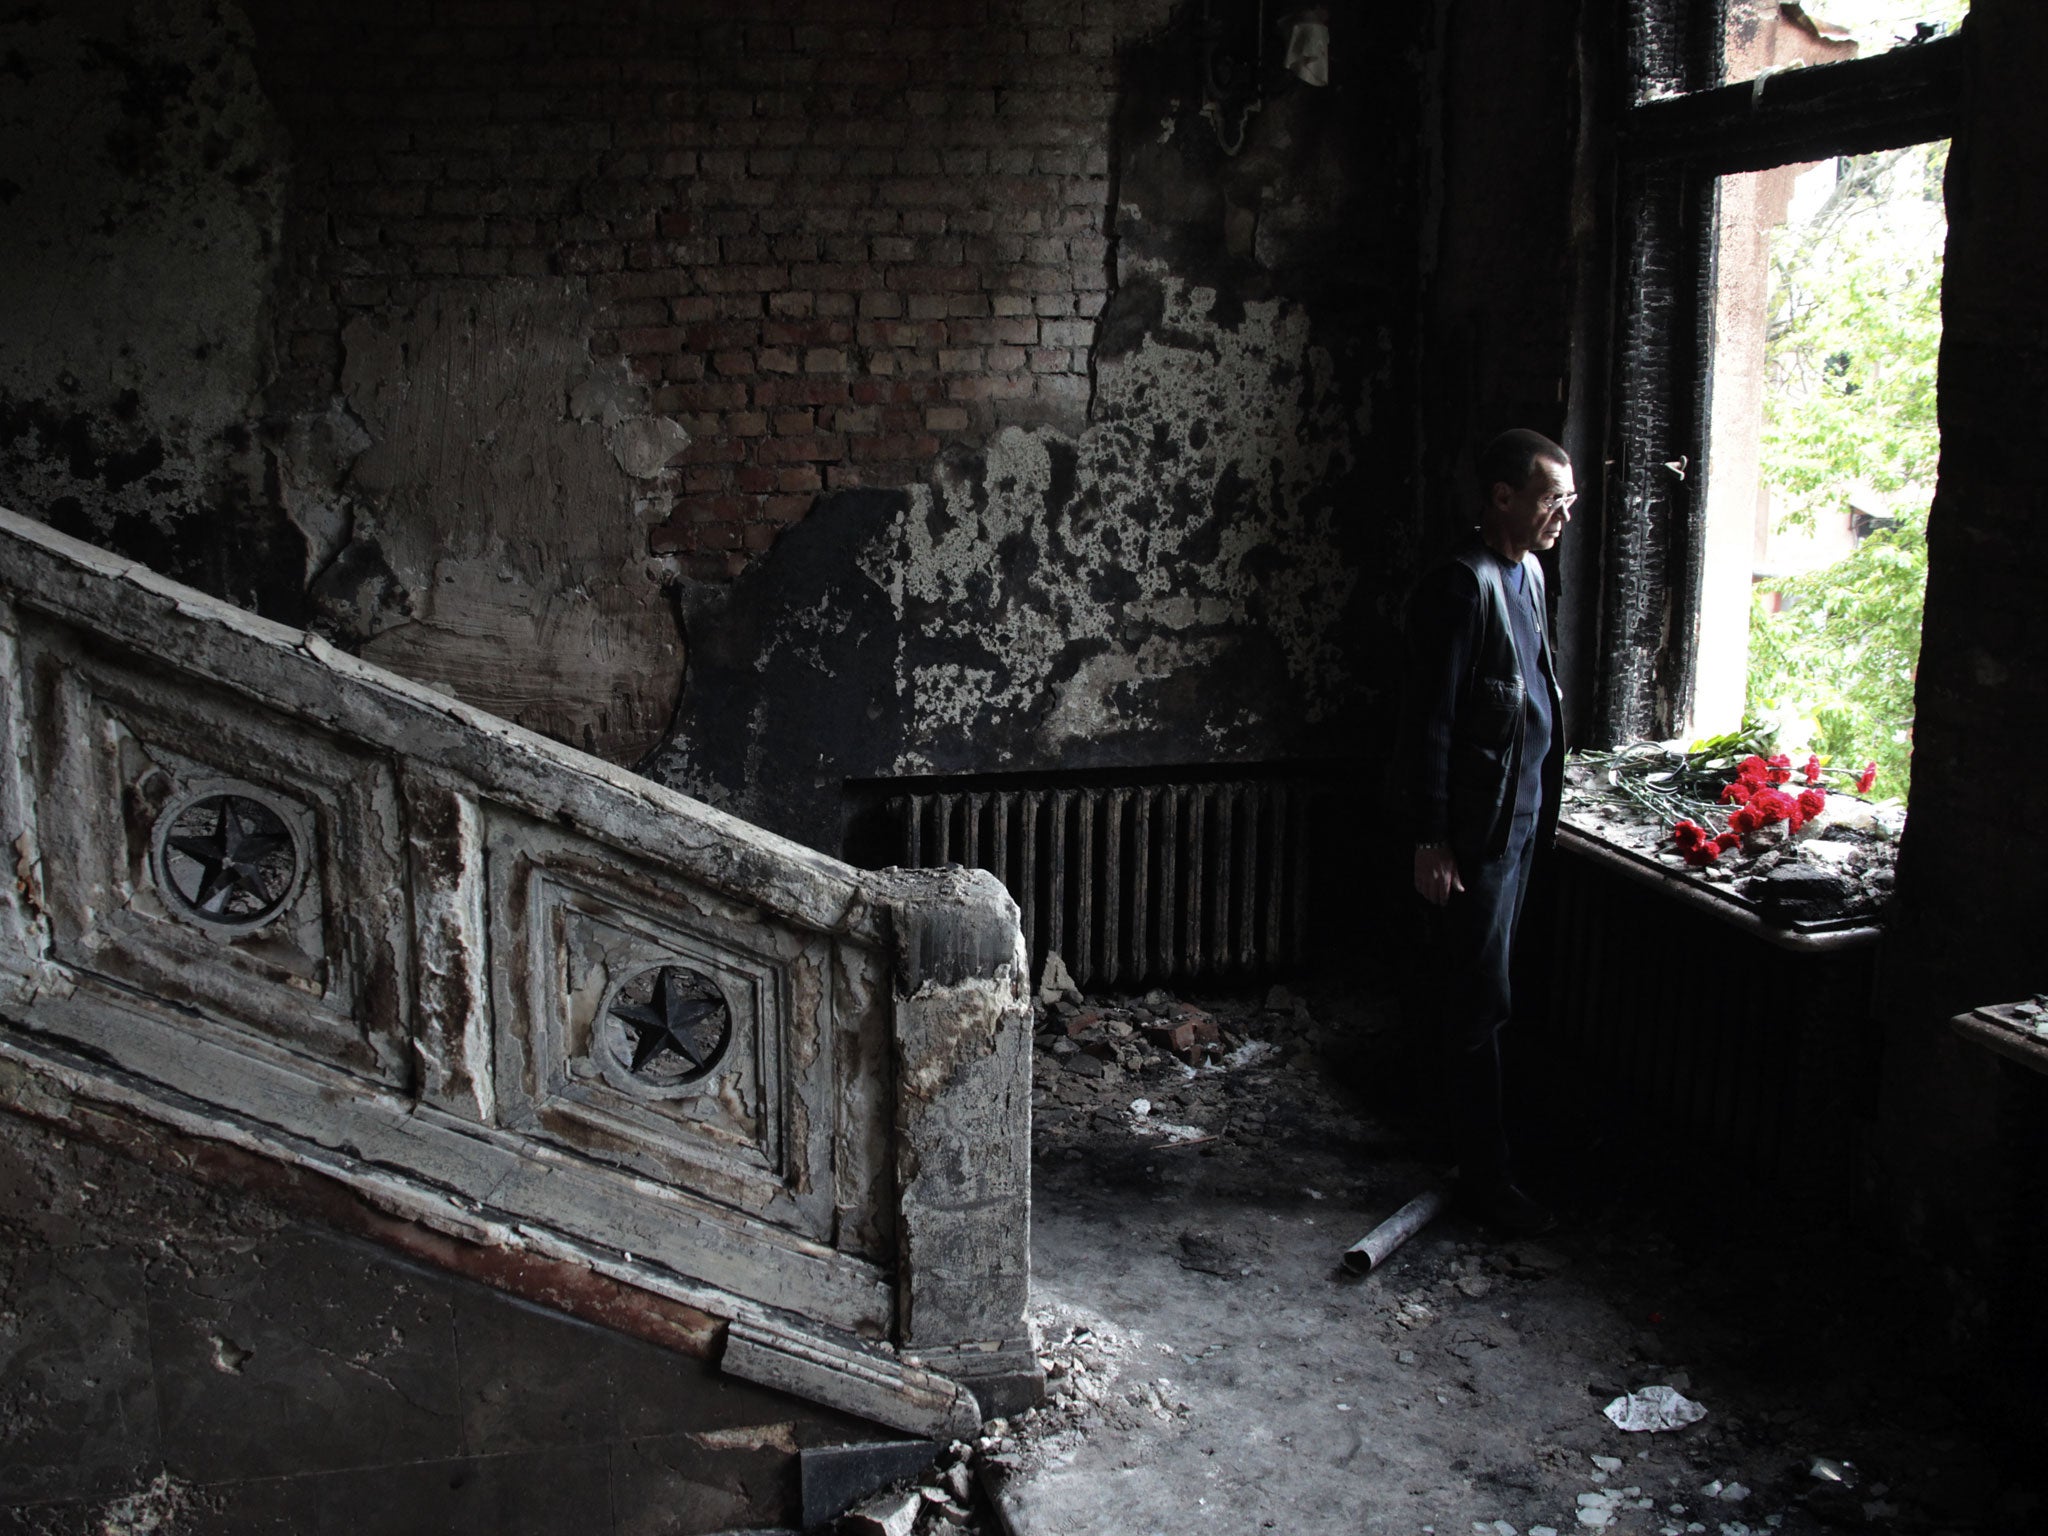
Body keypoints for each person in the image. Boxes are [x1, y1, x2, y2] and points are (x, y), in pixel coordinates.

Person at [1396, 428, 1573, 1235]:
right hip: (1477, 830)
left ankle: (1462, 1140)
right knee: (1479, 998)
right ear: (1502, 497)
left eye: (1566, 500)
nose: (1561, 514)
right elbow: (1428, 722)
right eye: (1549, 498)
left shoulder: (1530, 573)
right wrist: (1432, 838)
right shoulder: (1461, 586)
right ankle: (1484, 1175)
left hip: (1524, 815)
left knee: (1490, 990)